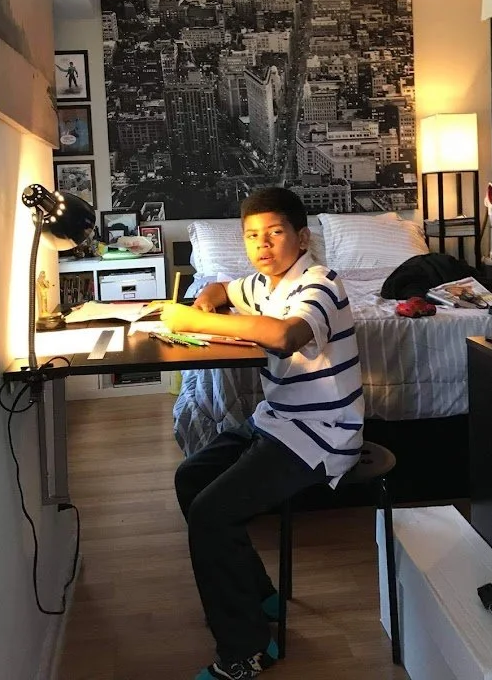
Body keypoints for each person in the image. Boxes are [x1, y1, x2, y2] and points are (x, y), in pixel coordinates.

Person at [160, 187, 364, 680]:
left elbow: (285, 335)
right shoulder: (262, 285)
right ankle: (257, 596)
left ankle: (245, 652)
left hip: (323, 433)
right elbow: (222, 289)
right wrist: (206, 301)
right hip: (278, 419)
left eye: (274, 232)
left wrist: (190, 320)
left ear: (302, 238)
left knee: (211, 513)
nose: (263, 245)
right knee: (191, 477)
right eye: (252, 236)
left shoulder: (320, 283)